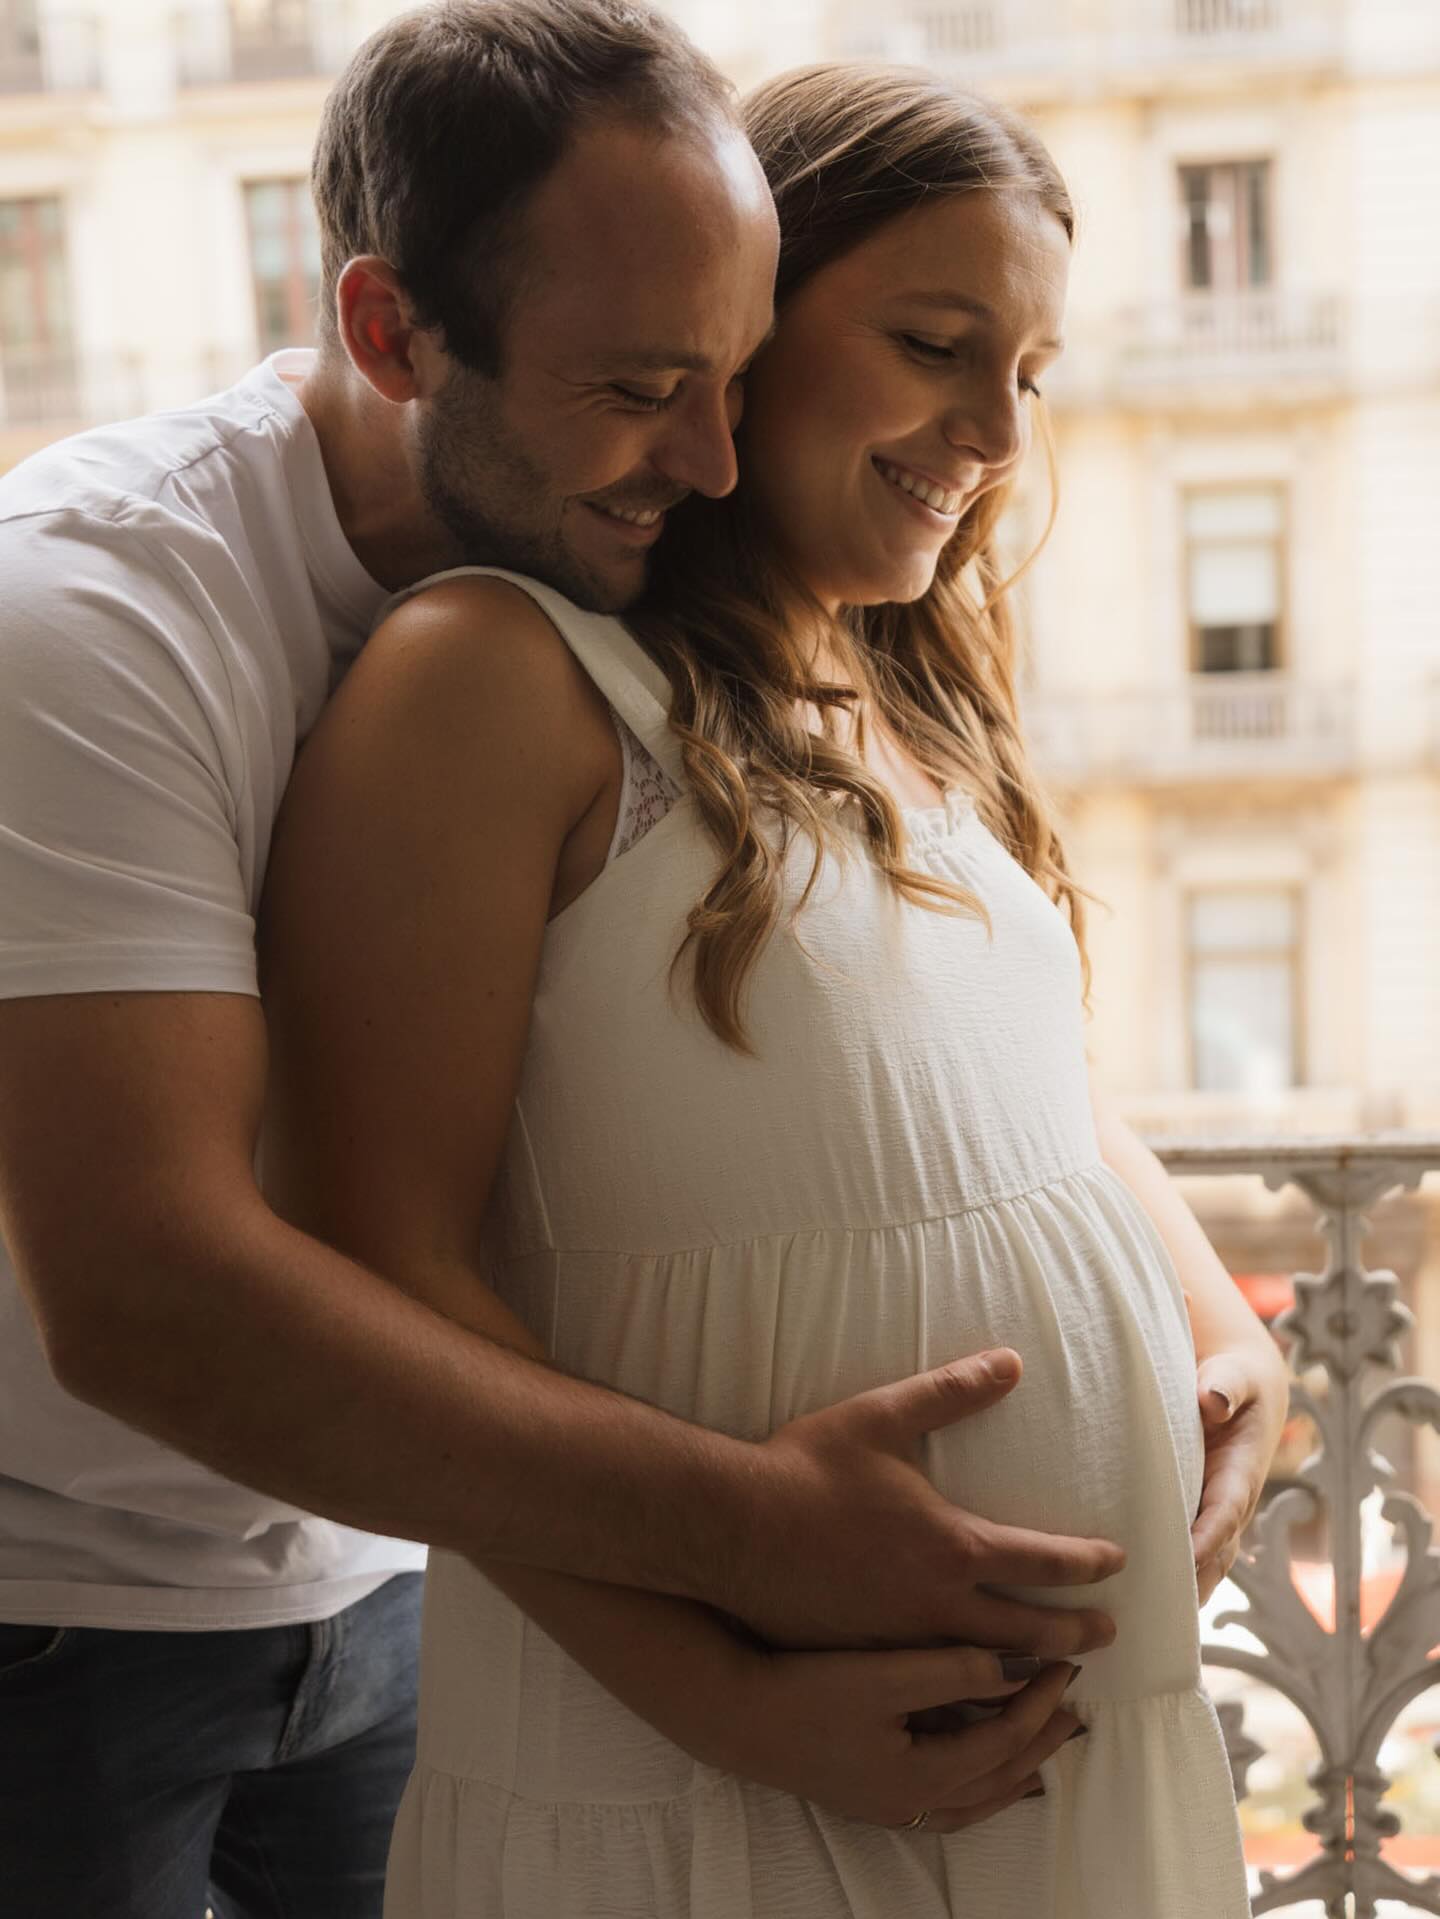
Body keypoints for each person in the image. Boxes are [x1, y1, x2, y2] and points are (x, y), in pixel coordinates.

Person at [0, 6, 1182, 1915]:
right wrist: (745, 1573)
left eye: (735, 374)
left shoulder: (645, 598)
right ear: (393, 335)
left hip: (389, 1573)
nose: (710, 460)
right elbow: (152, 1290)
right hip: (66, 1619)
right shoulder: (89, 616)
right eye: (645, 387)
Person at [257, 56, 1289, 1919]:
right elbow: (368, 1290)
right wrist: (714, 1691)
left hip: (1068, 1766)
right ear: (743, 323)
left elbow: (1021, 1101)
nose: (993, 432)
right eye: (931, 342)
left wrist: (1221, 1333)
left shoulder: (907, 699)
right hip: (695, 1784)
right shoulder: (491, 682)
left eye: (1029, 376)